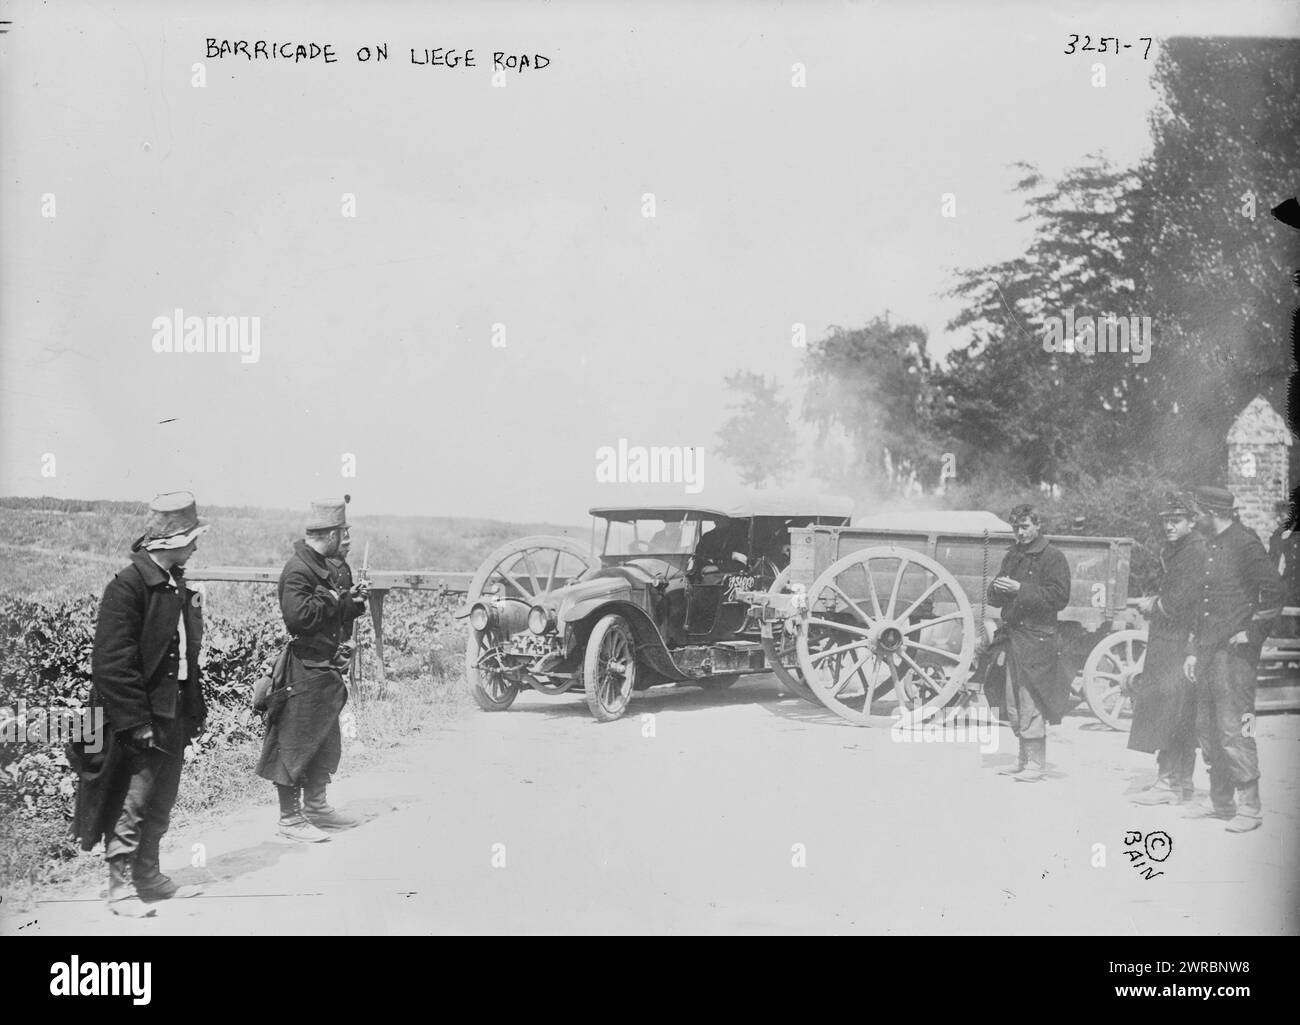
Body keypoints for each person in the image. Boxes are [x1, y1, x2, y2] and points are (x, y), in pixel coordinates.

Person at [70, 492, 210, 916]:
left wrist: (192, 708)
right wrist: (137, 722)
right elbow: (111, 666)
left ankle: (148, 876)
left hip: (173, 713)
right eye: (192, 538)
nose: (197, 546)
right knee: (131, 800)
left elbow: (186, 654)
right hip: (137, 720)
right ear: (171, 542)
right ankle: (120, 890)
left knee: (161, 800)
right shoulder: (128, 587)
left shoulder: (176, 586)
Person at [256, 496, 367, 841]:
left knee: (323, 740)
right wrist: (335, 599)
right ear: (331, 534)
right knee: (294, 742)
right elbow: (299, 618)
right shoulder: (299, 569)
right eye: (343, 533)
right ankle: (289, 819)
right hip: (302, 668)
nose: (346, 539)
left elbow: (330, 614)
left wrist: (350, 605)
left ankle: (316, 807)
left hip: (325, 668)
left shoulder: (326, 565)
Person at [1182, 485, 1283, 832]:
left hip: (1236, 656)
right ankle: (1222, 803)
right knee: (1207, 727)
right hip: (1209, 651)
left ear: (1212, 513)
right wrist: (1194, 651)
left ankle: (1250, 808)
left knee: (1239, 725)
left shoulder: (1246, 543)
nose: (1194, 519)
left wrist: (1252, 633)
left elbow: (1275, 592)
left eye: (1197, 513)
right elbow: (1202, 604)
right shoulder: (1210, 545)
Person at [985, 504, 1072, 782]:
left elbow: (1059, 597)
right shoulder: (1013, 556)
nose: (1019, 532)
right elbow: (994, 596)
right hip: (1012, 637)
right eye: (1015, 527)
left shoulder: (1053, 557)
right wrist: (998, 589)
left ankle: (1036, 763)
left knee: (1030, 699)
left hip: (1037, 638)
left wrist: (1020, 589)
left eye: (1024, 526)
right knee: (1012, 701)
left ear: (1037, 526)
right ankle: (1023, 760)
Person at [1129, 494, 1205, 805]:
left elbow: (1182, 601)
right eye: (1166, 520)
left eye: (1176, 520)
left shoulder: (1194, 551)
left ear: (1192, 521)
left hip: (1179, 643)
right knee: (1177, 713)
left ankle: (1169, 784)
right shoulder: (1181, 548)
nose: (1169, 526)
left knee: (1172, 712)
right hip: (1170, 642)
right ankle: (1179, 783)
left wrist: (1153, 604)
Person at [1266, 498, 1300, 605]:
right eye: (1277, 516)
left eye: (1281, 516)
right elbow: (1272, 562)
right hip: (1284, 590)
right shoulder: (1276, 537)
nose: (1278, 520)